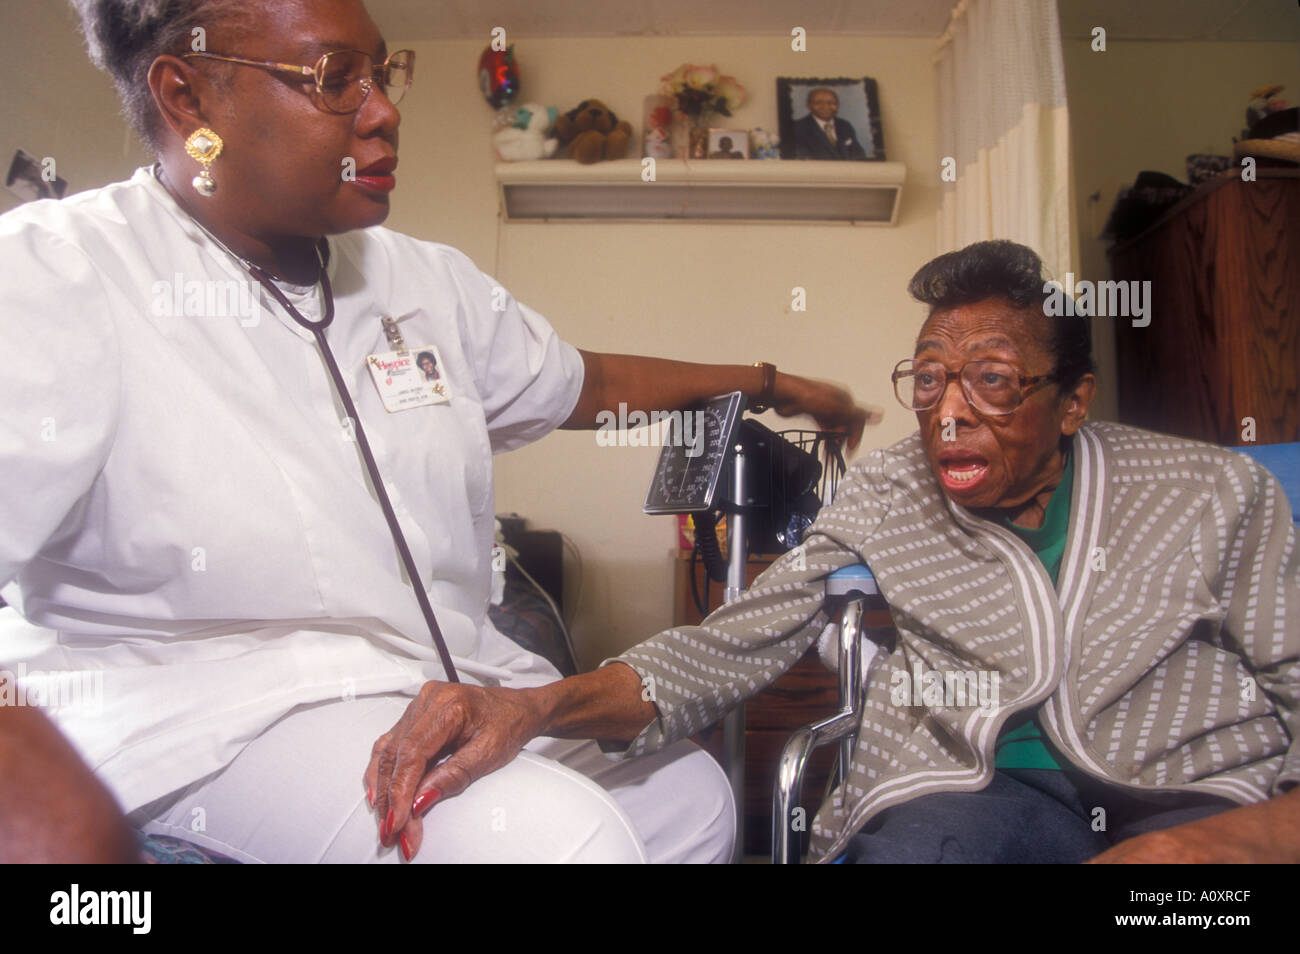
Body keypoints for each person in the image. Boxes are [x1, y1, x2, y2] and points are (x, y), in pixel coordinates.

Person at [0, 0, 875, 864]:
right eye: (335, 79)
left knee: (688, 801)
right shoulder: (55, 272)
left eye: (382, 73)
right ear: (187, 98)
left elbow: (588, 382)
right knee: (561, 841)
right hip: (213, 722)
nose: (383, 110)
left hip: (439, 677)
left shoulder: (424, 280)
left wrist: (767, 383)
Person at [369, 240, 1300, 863]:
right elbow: (717, 648)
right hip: (977, 793)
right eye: (929, 378)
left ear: (1073, 400)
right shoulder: (889, 492)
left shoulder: (1213, 493)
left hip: (1196, 795)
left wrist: (1205, 845)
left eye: (991, 381)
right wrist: (535, 707)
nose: (948, 412)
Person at [793, 87, 869, 160]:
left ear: (838, 105)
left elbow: (858, 155)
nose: (826, 107)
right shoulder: (797, 128)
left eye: (831, 103)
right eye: (818, 103)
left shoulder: (845, 125)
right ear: (808, 106)